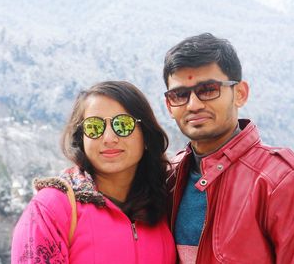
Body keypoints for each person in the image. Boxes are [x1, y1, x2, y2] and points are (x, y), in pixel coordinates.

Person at [162, 33, 294, 263]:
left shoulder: (281, 180)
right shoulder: (170, 176)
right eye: (180, 94)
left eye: (208, 89)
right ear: (169, 106)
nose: (194, 105)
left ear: (240, 93)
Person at [11, 81, 176, 263]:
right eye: (94, 127)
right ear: (81, 138)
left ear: (145, 135)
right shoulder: (51, 208)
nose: (109, 138)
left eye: (123, 125)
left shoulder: (167, 201)